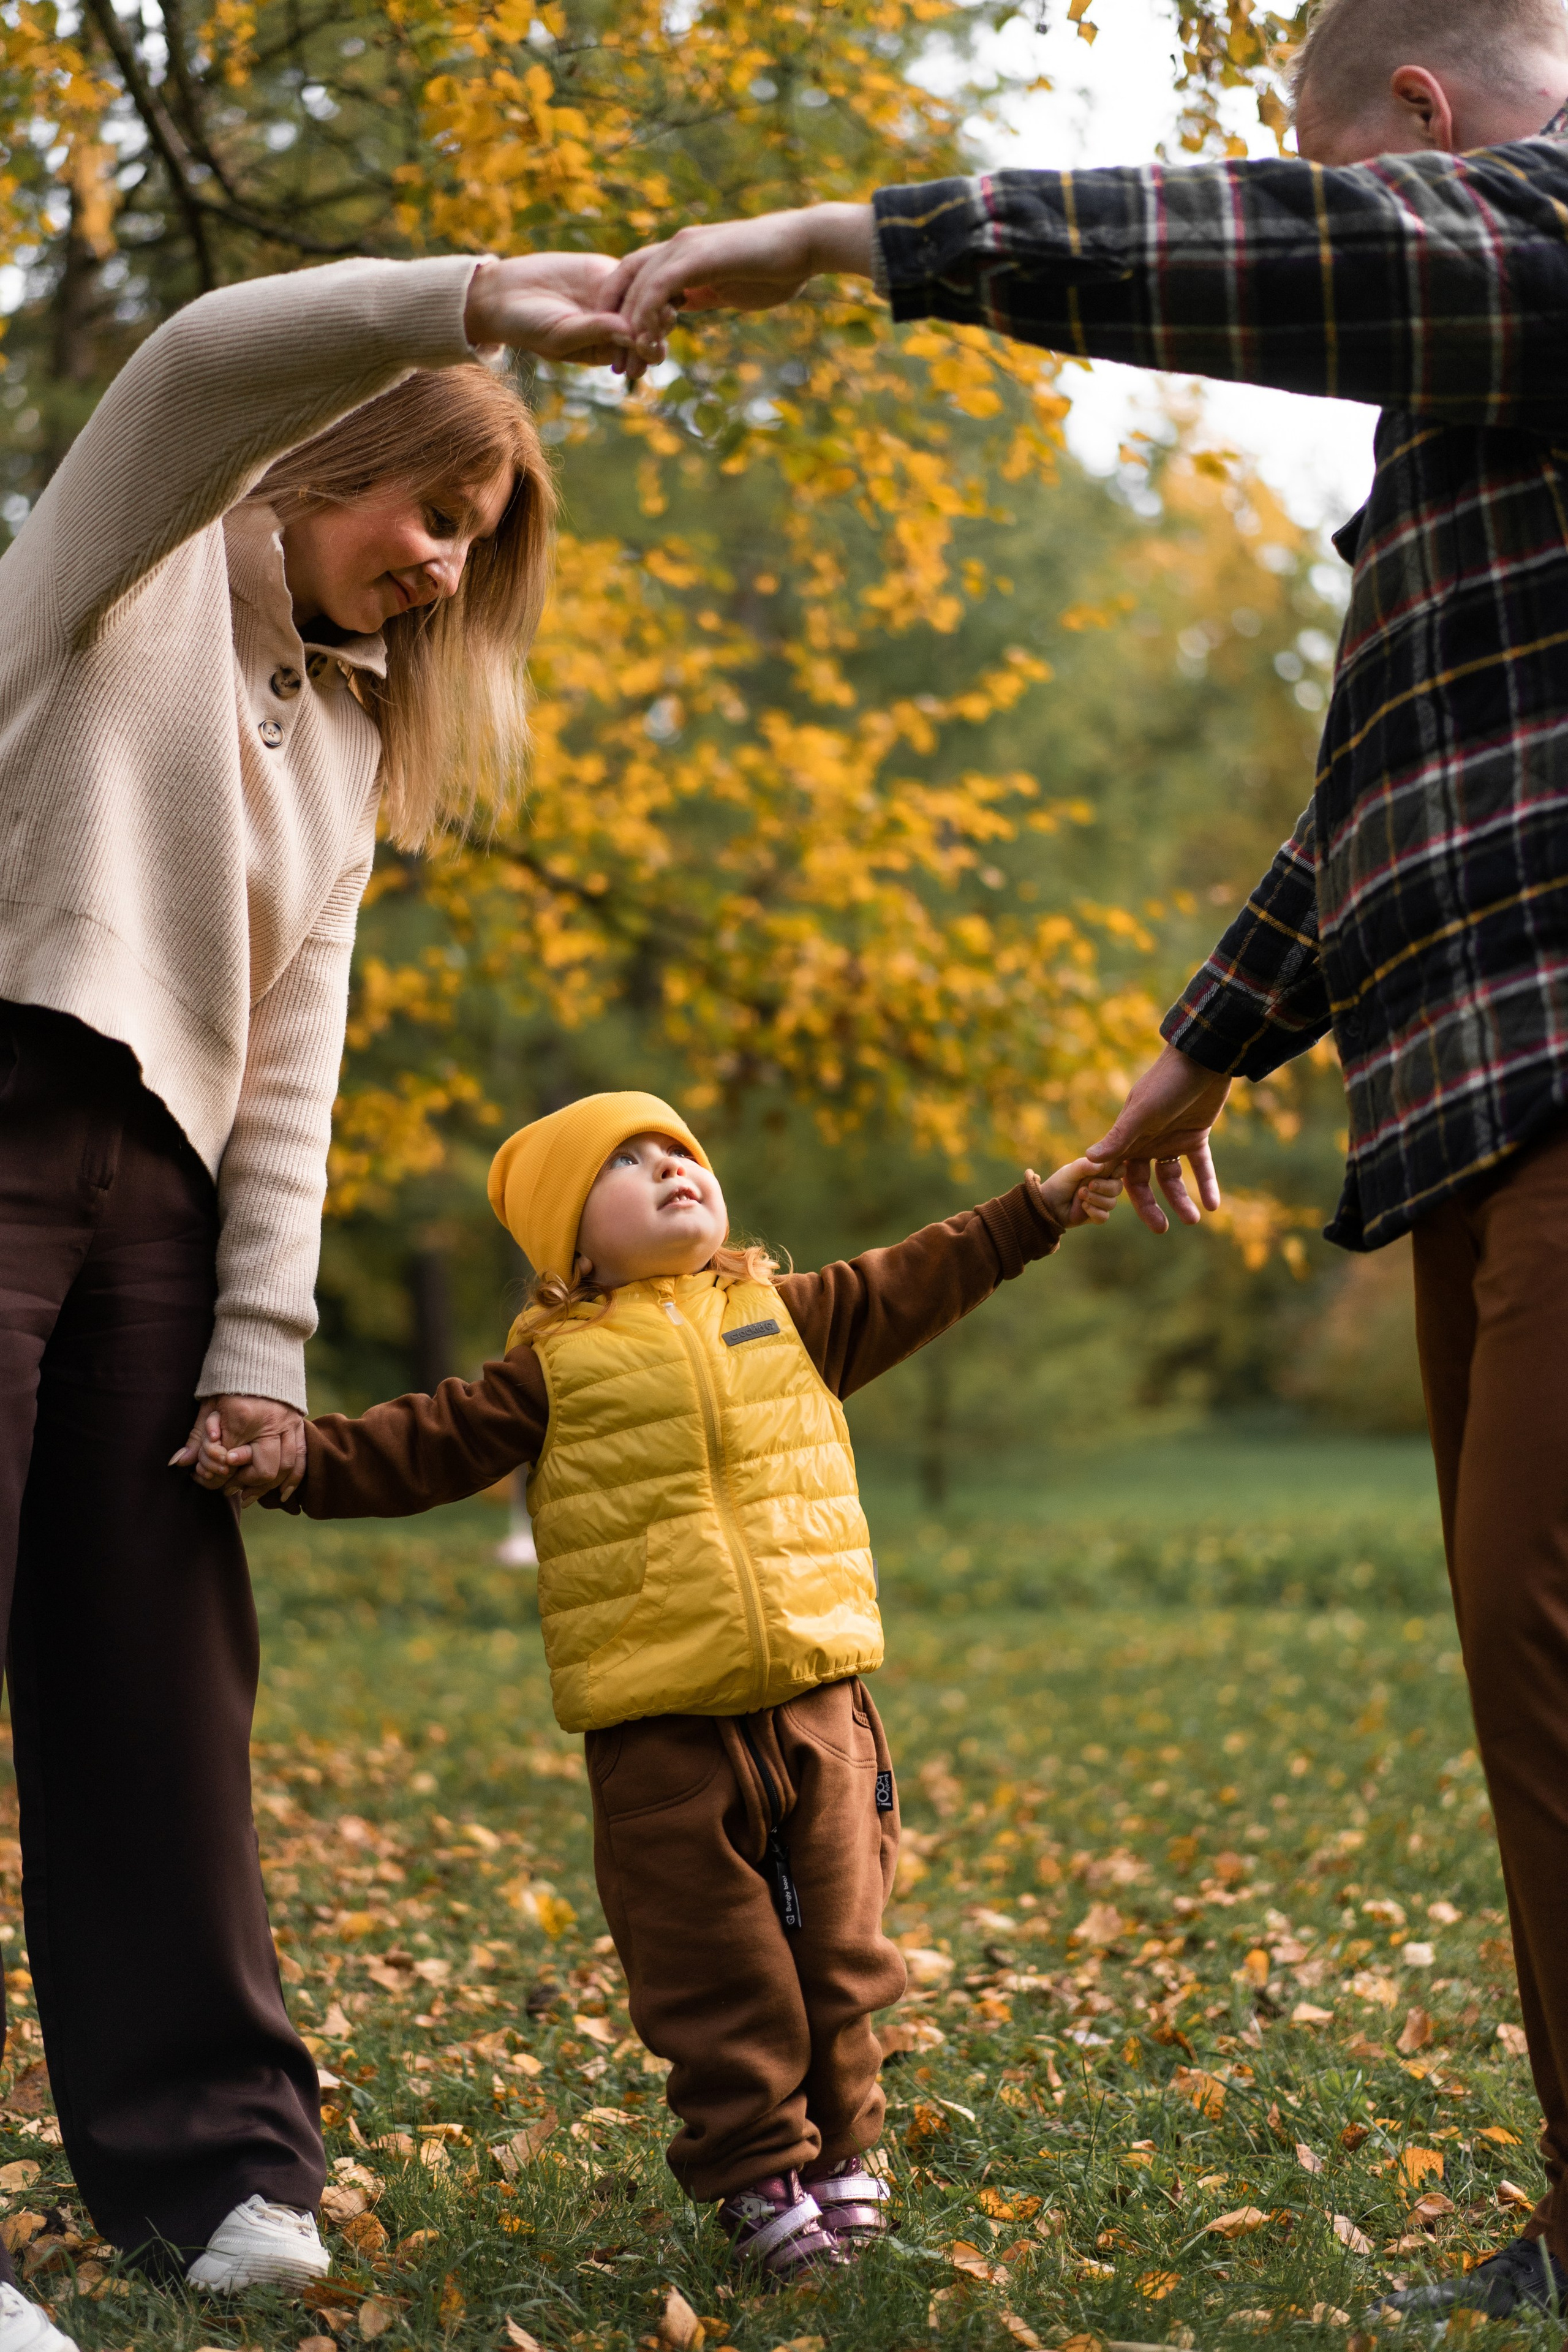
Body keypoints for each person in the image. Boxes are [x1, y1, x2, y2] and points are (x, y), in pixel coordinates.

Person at [598, 0, 1568, 2319]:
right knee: (1527, 1656)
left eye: (1345, 202)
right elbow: (1401, 767)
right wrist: (1209, 1046)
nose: (1339, 246)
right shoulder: (1482, 417)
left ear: (1415, 135)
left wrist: (847, 237)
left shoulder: (1542, 237)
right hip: (1481, 1106)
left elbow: (1230, 254)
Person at [0, 247, 646, 2346]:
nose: (451, 570)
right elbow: (199, 355)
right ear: (335, 461)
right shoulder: (129, 561)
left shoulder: (350, 744)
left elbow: (295, 1061)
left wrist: (260, 1353)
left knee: (158, 1693)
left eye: (482, 543)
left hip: (160, 1211)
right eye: (437, 513)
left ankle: (213, 2167)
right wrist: (476, 303)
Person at [198, 1090, 1120, 2281]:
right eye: (626, 1166)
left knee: (840, 1958)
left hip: (819, 1705)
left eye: (679, 1152)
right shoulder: (551, 1371)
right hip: (658, 1732)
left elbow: (927, 1270)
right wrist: (294, 1459)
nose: (671, 1169)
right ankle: (754, 2172)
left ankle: (844, 2156)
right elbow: (415, 1446)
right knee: (714, 1972)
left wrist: (1037, 1209)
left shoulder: (793, 1316)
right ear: (572, 1246)